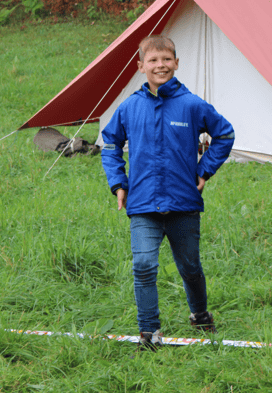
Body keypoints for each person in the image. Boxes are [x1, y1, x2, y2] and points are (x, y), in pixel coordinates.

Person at [100, 35, 235, 350]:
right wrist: (118, 184)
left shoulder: (192, 105)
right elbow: (110, 144)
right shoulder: (129, 107)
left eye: (166, 59)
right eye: (153, 60)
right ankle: (150, 333)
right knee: (143, 266)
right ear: (140, 66)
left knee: (190, 267)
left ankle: (200, 314)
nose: (160, 65)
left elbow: (225, 134)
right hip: (142, 204)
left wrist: (204, 171)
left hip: (183, 203)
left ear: (176, 63)